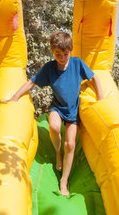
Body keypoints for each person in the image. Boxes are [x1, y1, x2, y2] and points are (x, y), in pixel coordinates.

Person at [9, 31, 104, 196]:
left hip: (73, 112)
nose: (61, 57)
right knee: (53, 127)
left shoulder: (77, 63)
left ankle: (64, 182)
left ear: (70, 51)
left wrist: (101, 96)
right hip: (57, 108)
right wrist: (15, 97)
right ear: (53, 52)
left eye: (65, 54)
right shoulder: (49, 68)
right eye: (57, 54)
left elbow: (94, 78)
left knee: (71, 144)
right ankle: (58, 153)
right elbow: (32, 82)